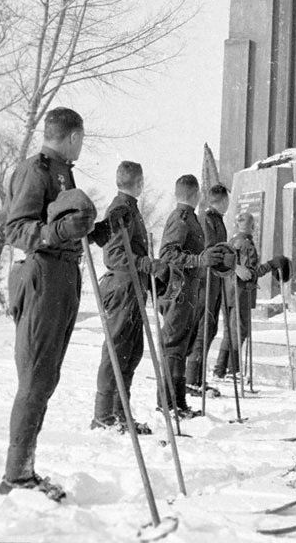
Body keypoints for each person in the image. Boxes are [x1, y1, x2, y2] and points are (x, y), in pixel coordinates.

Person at [0, 107, 127, 501]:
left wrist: (100, 229)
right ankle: (15, 477)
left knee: (46, 378)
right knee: (36, 378)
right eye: (82, 140)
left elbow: (66, 225)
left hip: (62, 276)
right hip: (41, 277)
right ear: (74, 136)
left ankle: (25, 470)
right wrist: (57, 231)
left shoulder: (61, 170)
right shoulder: (34, 170)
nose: (82, 146)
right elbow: (15, 229)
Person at [91, 161, 169, 435]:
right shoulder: (120, 209)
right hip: (122, 287)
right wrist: (146, 263)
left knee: (130, 353)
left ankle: (120, 413)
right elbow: (113, 255)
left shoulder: (129, 207)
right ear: (139, 182)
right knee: (116, 350)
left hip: (133, 288)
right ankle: (104, 415)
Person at [158, 174, 227, 418]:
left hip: (190, 290)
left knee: (182, 347)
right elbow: (166, 254)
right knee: (173, 347)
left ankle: (179, 402)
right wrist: (199, 260)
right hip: (178, 291)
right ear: (196, 194)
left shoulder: (192, 218)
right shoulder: (181, 218)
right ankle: (168, 403)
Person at [213, 212, 290, 380]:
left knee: (229, 332)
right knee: (239, 331)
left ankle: (220, 369)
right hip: (241, 293)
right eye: (253, 225)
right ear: (252, 227)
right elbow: (249, 274)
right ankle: (233, 371)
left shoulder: (232, 242)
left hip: (228, 292)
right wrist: (271, 265)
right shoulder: (247, 245)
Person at [185, 183, 230, 397]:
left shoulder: (217, 219)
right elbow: (210, 248)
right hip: (206, 280)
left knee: (210, 329)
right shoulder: (206, 219)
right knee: (203, 328)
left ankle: (197, 378)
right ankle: (192, 380)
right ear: (221, 200)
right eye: (226, 200)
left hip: (216, 280)